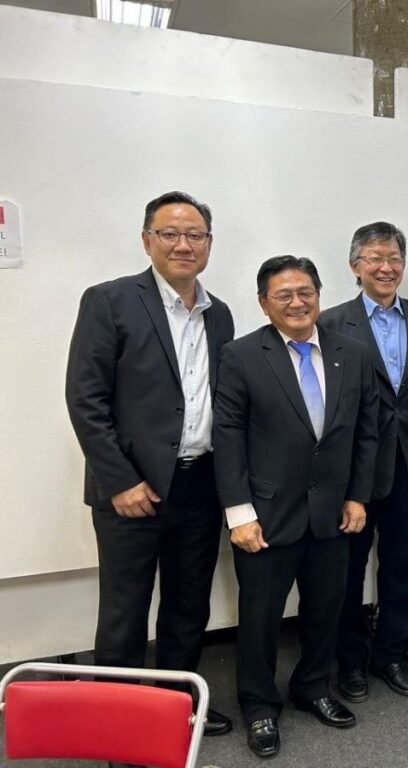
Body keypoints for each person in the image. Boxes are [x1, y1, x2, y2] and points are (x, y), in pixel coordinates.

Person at [65, 190, 234, 737]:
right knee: (124, 614)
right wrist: (120, 481)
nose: (184, 244)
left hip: (200, 485)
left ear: (209, 243)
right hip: (131, 491)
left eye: (195, 235)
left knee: (188, 607)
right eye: (170, 233)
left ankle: (176, 708)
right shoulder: (110, 300)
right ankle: (118, 727)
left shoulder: (219, 314)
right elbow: (85, 399)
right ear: (147, 240)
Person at [213, 256, 378, 758]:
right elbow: (228, 438)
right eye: (283, 295)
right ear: (264, 303)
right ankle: (259, 705)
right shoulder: (241, 355)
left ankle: (312, 686)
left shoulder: (352, 353)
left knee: (326, 608)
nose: (297, 302)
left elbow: (366, 432)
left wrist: (357, 496)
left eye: (306, 292)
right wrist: (239, 513)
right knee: (260, 617)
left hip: (332, 511)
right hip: (266, 516)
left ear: (319, 296)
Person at [320, 222, 408, 702]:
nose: (386, 267)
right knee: (348, 570)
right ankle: (350, 660)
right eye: (375, 258)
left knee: (402, 564)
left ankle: (391, 653)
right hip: (352, 472)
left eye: (394, 258)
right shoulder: (331, 322)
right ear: (355, 266)